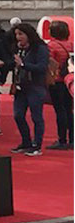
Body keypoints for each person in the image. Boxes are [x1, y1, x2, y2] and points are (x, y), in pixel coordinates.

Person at [9, 22, 50, 156]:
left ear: (29, 35)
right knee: (18, 115)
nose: (18, 37)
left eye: (21, 34)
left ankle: (36, 145)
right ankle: (26, 141)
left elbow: (42, 67)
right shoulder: (18, 48)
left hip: (35, 86)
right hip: (21, 86)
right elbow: (15, 64)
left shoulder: (40, 48)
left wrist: (24, 64)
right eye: (16, 34)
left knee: (36, 116)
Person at [47, 20, 72, 151]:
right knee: (69, 110)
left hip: (56, 80)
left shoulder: (51, 45)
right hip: (69, 80)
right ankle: (72, 138)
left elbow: (50, 63)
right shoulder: (70, 44)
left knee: (59, 110)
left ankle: (62, 139)